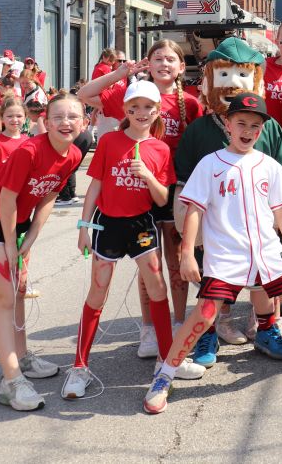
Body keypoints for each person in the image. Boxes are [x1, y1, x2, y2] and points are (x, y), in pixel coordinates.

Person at [143, 92, 282, 415]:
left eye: (255, 125)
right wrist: (187, 254)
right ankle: (164, 374)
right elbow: (193, 210)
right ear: (227, 123)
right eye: (241, 123)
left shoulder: (269, 165)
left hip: (267, 252)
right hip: (226, 257)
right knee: (204, 314)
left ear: (262, 130)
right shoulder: (210, 163)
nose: (247, 130)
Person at [63, 80, 205, 399]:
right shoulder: (110, 141)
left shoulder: (161, 149)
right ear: (125, 110)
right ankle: (79, 367)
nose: (142, 113)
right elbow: (95, 187)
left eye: (148, 107)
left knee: (157, 286)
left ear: (158, 112)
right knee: (98, 291)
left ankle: (166, 360)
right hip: (107, 225)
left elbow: (161, 198)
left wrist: (149, 176)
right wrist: (84, 227)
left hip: (141, 225)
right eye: (135, 107)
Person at [172, 38, 282, 365]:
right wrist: (188, 229)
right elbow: (184, 178)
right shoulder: (198, 130)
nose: (232, 86)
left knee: (261, 280)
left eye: (241, 76)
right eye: (223, 76)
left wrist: (279, 217)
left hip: (258, 225)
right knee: (214, 283)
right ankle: (208, 332)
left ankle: (266, 328)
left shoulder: (269, 129)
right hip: (214, 227)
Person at [79, 40, 203, 347]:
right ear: (147, 64)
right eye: (157, 58)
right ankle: (148, 328)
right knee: (150, 261)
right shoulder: (132, 95)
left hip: (171, 189)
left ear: (180, 66)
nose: (163, 63)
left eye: (170, 59)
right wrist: (119, 72)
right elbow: (84, 95)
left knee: (174, 259)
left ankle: (177, 321)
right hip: (136, 190)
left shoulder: (191, 102)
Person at [0, 93, 85, 411]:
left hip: (17, 223)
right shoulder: (29, 150)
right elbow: (5, 200)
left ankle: (22, 356)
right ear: (44, 120)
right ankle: (12, 382)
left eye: (73, 116)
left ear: (84, 122)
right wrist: (9, 243)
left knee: (19, 289)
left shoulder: (73, 155)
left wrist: (29, 239)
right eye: (58, 116)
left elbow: (48, 197)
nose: (66, 122)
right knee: (4, 296)